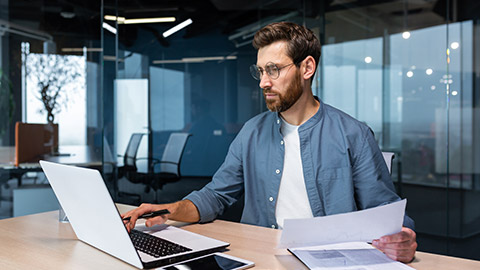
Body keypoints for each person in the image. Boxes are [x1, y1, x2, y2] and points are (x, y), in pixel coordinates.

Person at [122, 21, 417, 263]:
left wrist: (402, 237)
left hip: (330, 262)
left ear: (307, 68)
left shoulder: (353, 134)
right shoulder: (251, 132)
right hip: (259, 257)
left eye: (274, 70)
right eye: (261, 71)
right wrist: (165, 209)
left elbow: (387, 214)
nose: (264, 82)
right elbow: (215, 196)